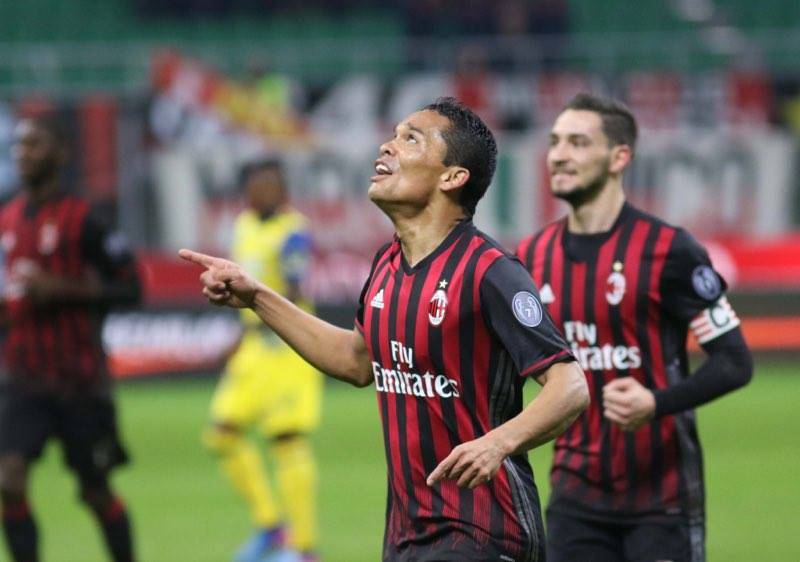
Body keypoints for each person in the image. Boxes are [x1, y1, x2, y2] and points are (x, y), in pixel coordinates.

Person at [180, 97, 589, 562]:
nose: (387, 146)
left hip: (483, 529)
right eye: (393, 135)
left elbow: (570, 385)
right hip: (405, 535)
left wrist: (498, 442)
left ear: (452, 177)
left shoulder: (490, 271)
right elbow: (356, 361)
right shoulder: (387, 265)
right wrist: (256, 296)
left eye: (410, 139)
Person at [516, 92, 753, 562]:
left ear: (619, 157)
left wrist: (656, 403)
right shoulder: (531, 257)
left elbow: (734, 361)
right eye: (555, 141)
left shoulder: (669, 250)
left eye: (579, 143)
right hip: (573, 499)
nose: (559, 154)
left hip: (661, 501)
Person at [0, 115, 141, 562]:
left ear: (61, 153)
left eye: (34, 144)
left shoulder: (86, 220)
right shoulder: (5, 220)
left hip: (79, 381)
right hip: (23, 379)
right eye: (20, 145)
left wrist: (63, 289)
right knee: (8, 481)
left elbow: (131, 288)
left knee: (95, 491)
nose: (23, 153)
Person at [203, 159, 321, 562]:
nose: (266, 192)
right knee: (221, 432)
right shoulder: (243, 227)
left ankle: (303, 548)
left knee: (287, 440)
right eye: (259, 185)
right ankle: (271, 525)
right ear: (248, 191)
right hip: (255, 345)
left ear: (283, 188)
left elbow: (293, 290)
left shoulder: (293, 232)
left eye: (273, 184)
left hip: (287, 346)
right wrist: (239, 337)